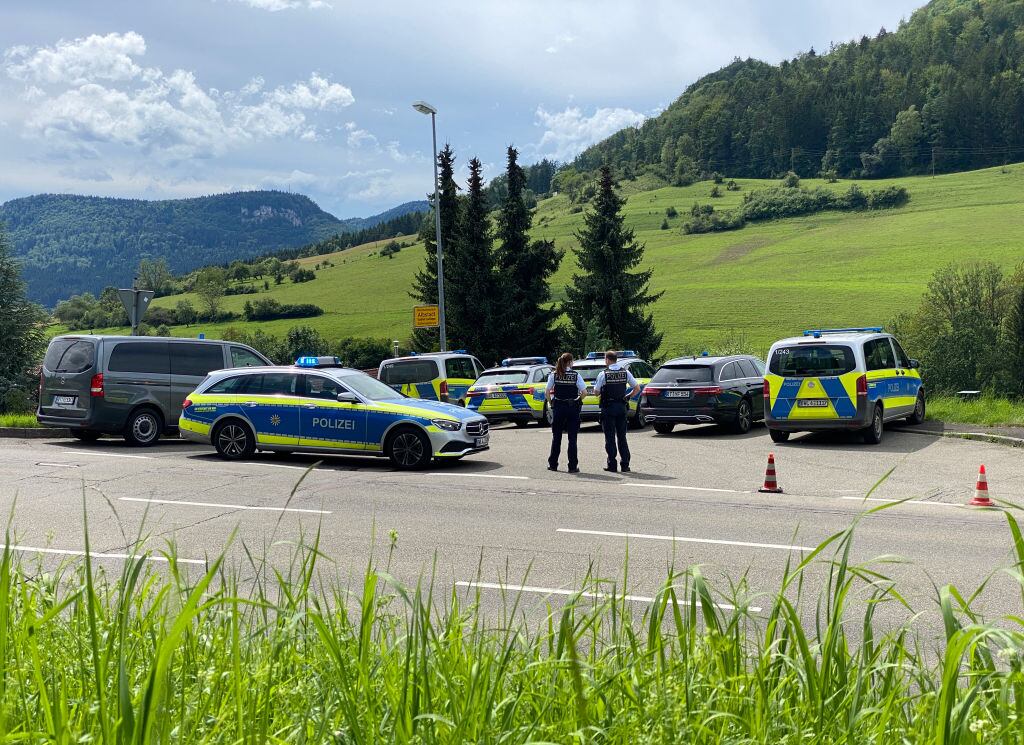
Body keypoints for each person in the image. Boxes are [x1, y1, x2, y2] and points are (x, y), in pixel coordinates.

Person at [593, 350, 641, 473]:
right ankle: (625, 465)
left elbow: (596, 392)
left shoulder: (603, 374)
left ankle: (612, 465)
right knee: (622, 437)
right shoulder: (625, 372)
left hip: (608, 407)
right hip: (621, 407)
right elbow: (636, 388)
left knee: (609, 437)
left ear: (608, 360)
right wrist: (627, 396)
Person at [546, 352, 586, 472]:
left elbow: (547, 392)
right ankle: (572, 466)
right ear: (570, 362)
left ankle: (553, 464)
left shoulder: (554, 374)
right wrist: (578, 400)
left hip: (559, 407)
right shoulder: (576, 375)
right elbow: (584, 392)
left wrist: (551, 402)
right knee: (572, 438)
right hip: (572, 408)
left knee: (556, 437)